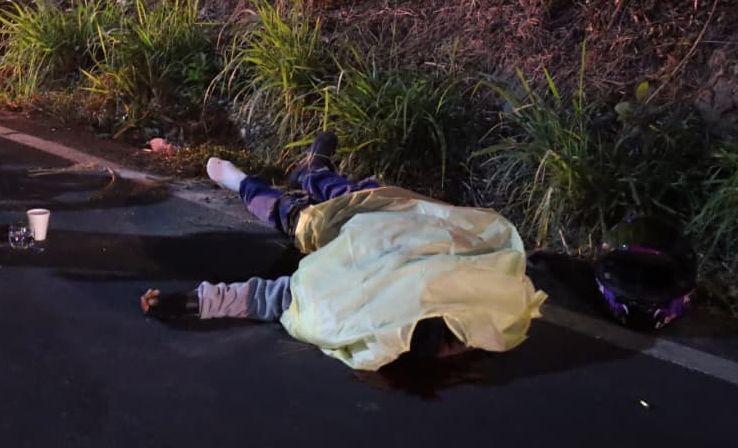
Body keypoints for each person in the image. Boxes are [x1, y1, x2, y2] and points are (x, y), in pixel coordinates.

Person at [141, 132, 547, 371]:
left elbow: (269, 297)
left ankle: (288, 176)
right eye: (454, 341)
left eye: (455, 342)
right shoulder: (376, 298)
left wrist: (192, 302)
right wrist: (193, 303)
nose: (463, 346)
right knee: (319, 210)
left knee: (321, 207)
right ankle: (283, 178)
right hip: (371, 232)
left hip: (376, 233)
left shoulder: (356, 310)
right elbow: (276, 297)